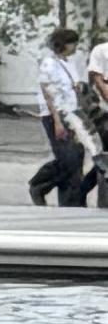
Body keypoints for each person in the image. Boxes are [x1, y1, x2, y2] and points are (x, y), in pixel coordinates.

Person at [43, 26, 102, 209]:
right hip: (58, 116)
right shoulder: (49, 63)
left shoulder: (68, 63)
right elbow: (48, 93)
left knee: (78, 158)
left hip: (73, 114)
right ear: (64, 44)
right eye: (73, 43)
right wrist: (58, 122)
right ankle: (48, 189)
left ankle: (76, 200)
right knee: (68, 160)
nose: (75, 46)